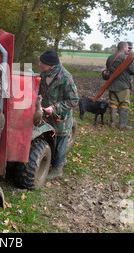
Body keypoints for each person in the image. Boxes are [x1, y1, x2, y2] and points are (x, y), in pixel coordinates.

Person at [38, 49, 79, 179]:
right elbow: (40, 90)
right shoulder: (44, 74)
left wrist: (55, 108)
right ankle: (51, 160)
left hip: (61, 117)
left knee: (61, 142)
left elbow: (73, 100)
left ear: (51, 65)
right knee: (49, 139)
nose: (39, 64)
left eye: (42, 62)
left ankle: (57, 169)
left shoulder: (65, 78)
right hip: (46, 115)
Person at [106, 41, 134, 130]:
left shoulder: (110, 57)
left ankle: (112, 123)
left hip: (111, 83)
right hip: (122, 84)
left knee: (113, 103)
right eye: (128, 48)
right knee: (124, 103)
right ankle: (122, 124)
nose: (128, 49)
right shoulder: (124, 57)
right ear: (124, 48)